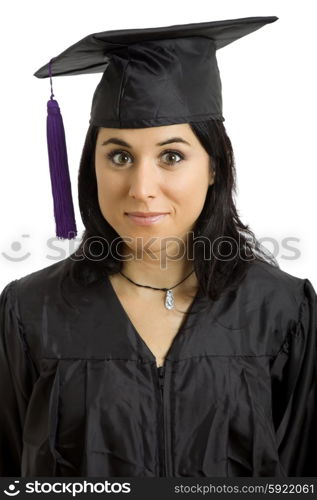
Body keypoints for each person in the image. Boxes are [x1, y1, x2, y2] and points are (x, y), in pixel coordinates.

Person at [0, 17, 316, 478]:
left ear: (213, 167)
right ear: (92, 167)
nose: (141, 188)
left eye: (172, 156)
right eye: (120, 156)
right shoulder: (30, 313)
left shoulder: (283, 312)